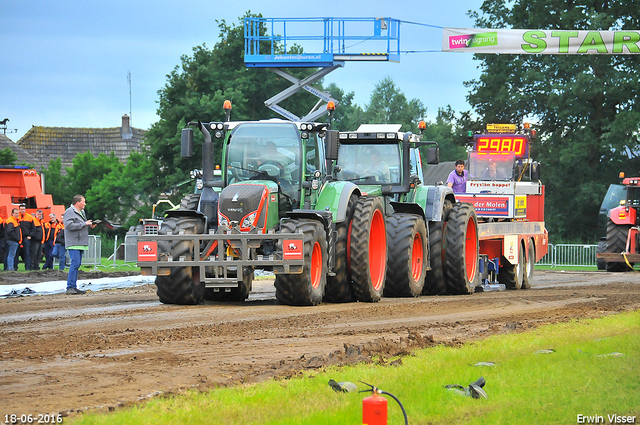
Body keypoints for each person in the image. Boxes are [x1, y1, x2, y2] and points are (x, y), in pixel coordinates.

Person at [64, 195, 96, 295]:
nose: (85, 204)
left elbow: (81, 225)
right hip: (74, 242)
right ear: (78, 203)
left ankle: (73, 286)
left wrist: (89, 225)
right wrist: (84, 224)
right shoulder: (69, 211)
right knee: (75, 264)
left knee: (77, 265)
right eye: (83, 202)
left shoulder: (81, 212)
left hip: (80, 242)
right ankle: (70, 287)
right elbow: (68, 225)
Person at [18, 204, 34, 270]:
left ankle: (28, 268)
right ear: (19, 209)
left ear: (25, 209)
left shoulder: (29, 217)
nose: (22, 210)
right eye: (21, 209)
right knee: (16, 253)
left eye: (23, 209)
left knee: (27, 253)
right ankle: (14, 268)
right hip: (17, 238)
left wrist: (30, 235)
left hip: (26, 237)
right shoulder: (16, 216)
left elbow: (33, 228)